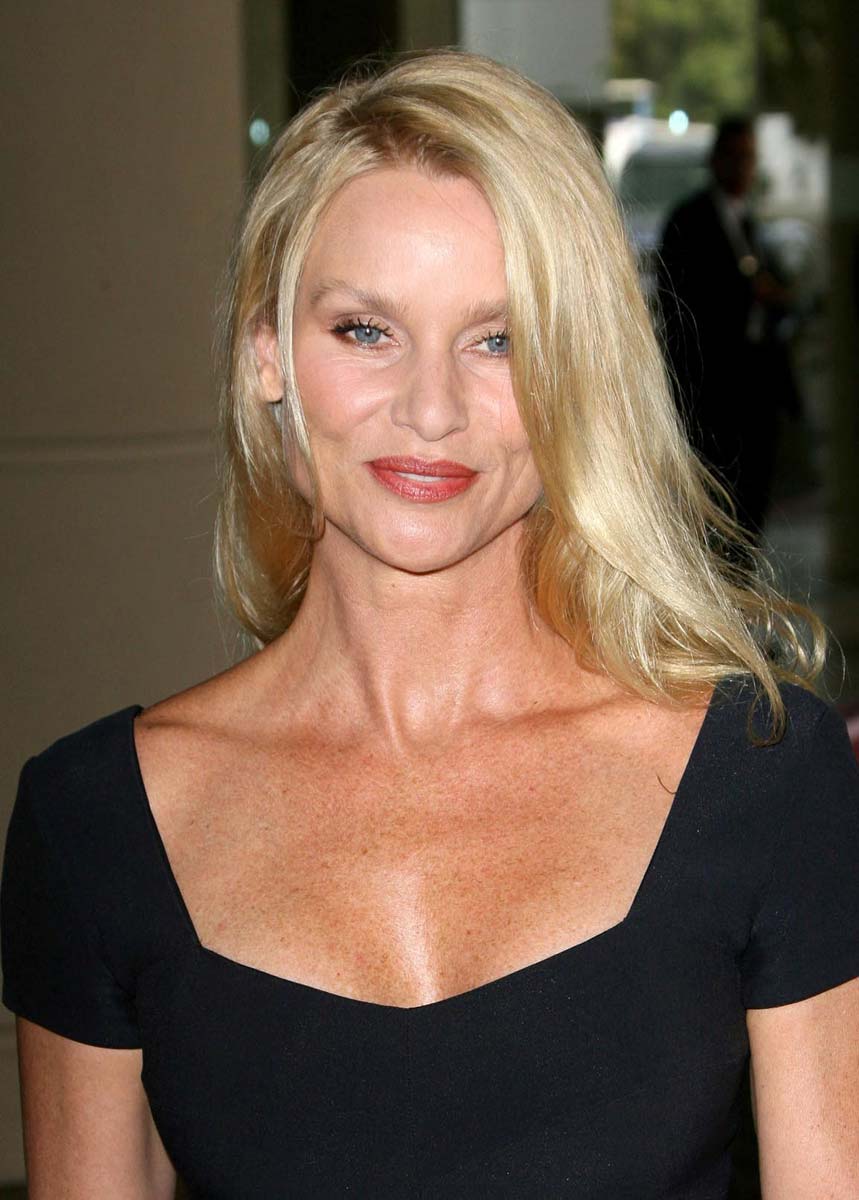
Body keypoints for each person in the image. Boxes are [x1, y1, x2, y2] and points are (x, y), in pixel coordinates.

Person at [2, 51, 858, 1199]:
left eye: (499, 340)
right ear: (268, 353)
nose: (431, 408)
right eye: (366, 330)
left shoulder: (763, 776)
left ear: (578, 371)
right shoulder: (96, 824)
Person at [657, 116, 801, 536]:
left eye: (749, 158)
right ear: (716, 160)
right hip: (712, 389)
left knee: (753, 501)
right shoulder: (689, 220)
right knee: (715, 506)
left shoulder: (751, 223)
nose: (742, 168)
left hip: (756, 387)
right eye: (735, 157)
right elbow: (679, 304)